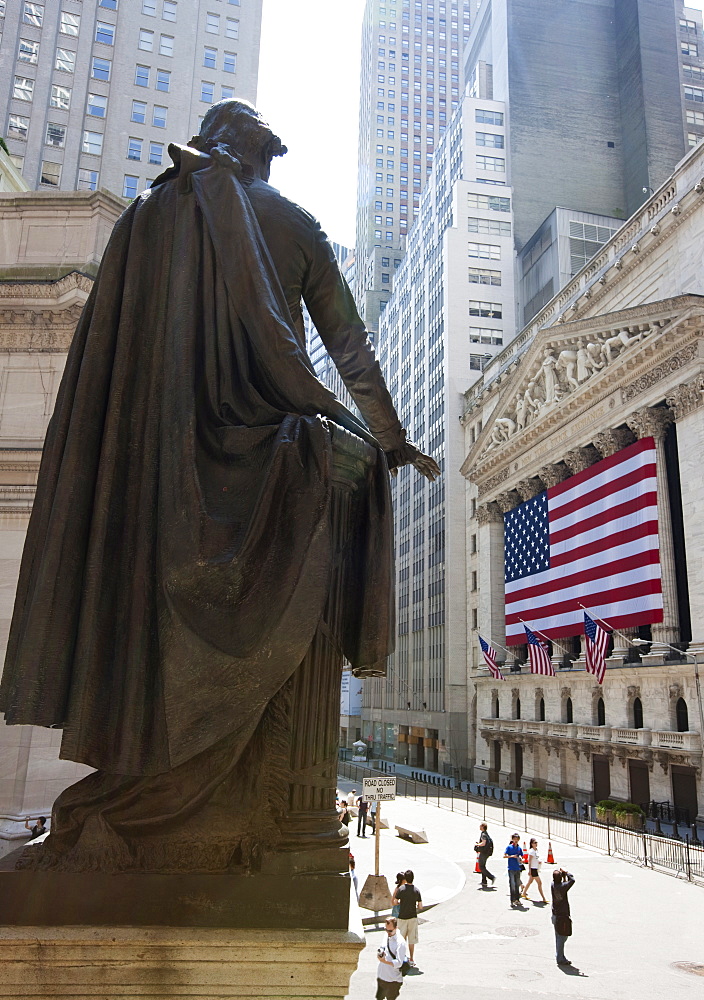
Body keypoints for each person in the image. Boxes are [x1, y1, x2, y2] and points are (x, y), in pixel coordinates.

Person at [0, 97, 439, 873]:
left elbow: (114, 361)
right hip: (273, 455)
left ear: (209, 144)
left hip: (153, 471)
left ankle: (146, 783)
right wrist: (391, 440)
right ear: (262, 154)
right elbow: (350, 346)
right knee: (328, 476)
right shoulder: (295, 223)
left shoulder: (145, 215)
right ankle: (245, 810)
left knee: (150, 619)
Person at [393, 868, 422, 967]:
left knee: (402, 939)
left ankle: (401, 957)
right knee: (411, 940)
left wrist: (401, 902)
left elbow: (395, 902)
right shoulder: (416, 890)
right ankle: (412, 958)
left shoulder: (401, 889)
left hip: (402, 917)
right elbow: (420, 906)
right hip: (412, 917)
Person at [376, 916, 407, 1000]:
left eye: (390, 930)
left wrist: (384, 961)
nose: (388, 932)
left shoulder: (400, 943)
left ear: (396, 928)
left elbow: (399, 962)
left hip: (393, 980)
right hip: (382, 976)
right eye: (386, 929)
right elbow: (383, 946)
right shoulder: (386, 935)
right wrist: (380, 953)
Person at [551, 869, 575, 966]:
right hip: (562, 916)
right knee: (562, 937)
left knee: (558, 936)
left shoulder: (553, 885)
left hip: (555, 914)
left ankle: (559, 955)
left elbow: (565, 884)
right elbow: (572, 880)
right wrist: (568, 873)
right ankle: (560, 958)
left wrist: (563, 876)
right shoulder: (562, 887)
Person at [521, 838, 547, 902]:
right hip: (533, 869)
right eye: (534, 843)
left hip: (536, 868)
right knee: (539, 883)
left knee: (530, 882)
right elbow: (529, 861)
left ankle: (524, 893)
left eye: (536, 842)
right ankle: (543, 898)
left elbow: (536, 859)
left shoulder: (536, 850)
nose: (536, 844)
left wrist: (539, 862)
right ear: (531, 844)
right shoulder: (531, 851)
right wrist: (529, 870)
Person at [503, 832, 524, 907]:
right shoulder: (509, 847)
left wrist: (521, 859)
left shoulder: (519, 848)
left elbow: (522, 856)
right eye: (514, 839)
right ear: (512, 839)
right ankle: (512, 900)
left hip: (517, 868)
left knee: (517, 884)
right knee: (512, 884)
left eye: (517, 839)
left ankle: (517, 899)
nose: (515, 841)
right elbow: (504, 856)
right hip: (511, 868)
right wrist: (512, 856)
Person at [474, 822, 495, 888]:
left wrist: (477, 845)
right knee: (483, 866)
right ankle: (484, 881)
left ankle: (491, 877)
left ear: (483, 827)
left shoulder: (483, 834)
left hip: (484, 852)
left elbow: (483, 843)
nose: (479, 827)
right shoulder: (485, 834)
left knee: (481, 867)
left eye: (480, 826)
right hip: (487, 852)